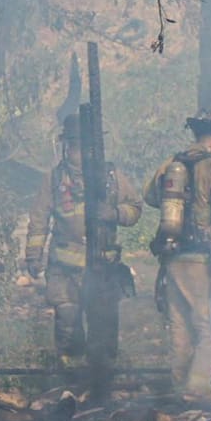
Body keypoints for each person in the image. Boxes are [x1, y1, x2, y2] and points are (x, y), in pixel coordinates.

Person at [145, 110, 211, 401]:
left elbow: (151, 196)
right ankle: (198, 392)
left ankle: (180, 387)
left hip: (173, 255)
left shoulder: (172, 164)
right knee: (208, 326)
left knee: (179, 323)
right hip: (205, 258)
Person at [25, 113, 142, 360]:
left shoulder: (110, 177)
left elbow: (135, 208)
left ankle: (101, 378)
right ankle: (70, 376)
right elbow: (38, 221)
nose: (76, 153)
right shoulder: (55, 179)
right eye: (73, 147)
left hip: (103, 267)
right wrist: (33, 257)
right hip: (64, 269)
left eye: (82, 147)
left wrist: (114, 213)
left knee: (103, 327)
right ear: (65, 146)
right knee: (67, 321)